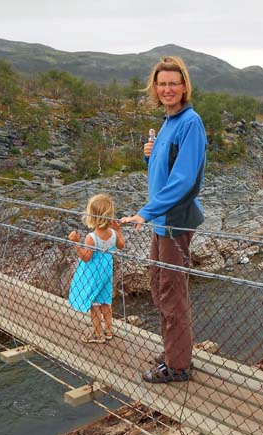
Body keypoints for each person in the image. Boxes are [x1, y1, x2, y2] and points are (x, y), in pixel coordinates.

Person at [121, 56, 206, 383]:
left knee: (171, 292)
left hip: (175, 221)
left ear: (184, 86)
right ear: (155, 88)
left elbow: (183, 180)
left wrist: (146, 212)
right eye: (162, 83)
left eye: (174, 83)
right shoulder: (169, 121)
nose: (168, 89)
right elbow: (165, 173)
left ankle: (178, 366)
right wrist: (150, 156)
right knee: (159, 287)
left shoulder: (190, 122)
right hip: (162, 222)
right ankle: (174, 350)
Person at [68, 194, 125, 343]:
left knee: (94, 303)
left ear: (92, 216)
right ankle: (109, 331)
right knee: (106, 301)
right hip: (107, 270)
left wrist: (75, 243)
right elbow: (121, 245)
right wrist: (118, 230)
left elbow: (86, 257)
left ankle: (98, 334)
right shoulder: (112, 233)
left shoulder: (91, 237)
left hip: (93, 272)